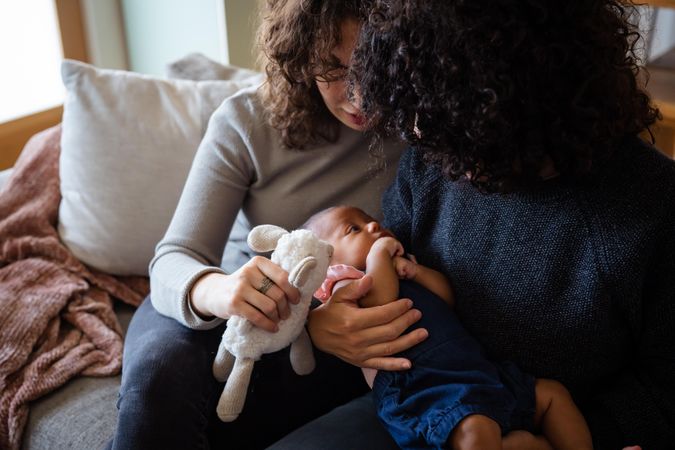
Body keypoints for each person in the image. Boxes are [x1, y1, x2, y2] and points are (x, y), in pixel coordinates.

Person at [324, 0, 670, 449]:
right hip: (424, 415)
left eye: (454, 121)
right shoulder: (434, 160)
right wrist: (327, 323)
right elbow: (380, 283)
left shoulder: (653, 210)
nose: (422, 136)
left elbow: (664, 392)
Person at [106, 1, 426, 449]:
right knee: (159, 382)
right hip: (223, 302)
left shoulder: (425, 127)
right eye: (333, 68)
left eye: (376, 66)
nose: (360, 97)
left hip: (329, 331)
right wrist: (220, 290)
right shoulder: (247, 120)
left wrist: (313, 322)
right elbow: (173, 260)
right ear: (302, 53)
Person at [305, 205, 594, 450]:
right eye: (353, 229)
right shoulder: (342, 284)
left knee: (552, 395)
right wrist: (378, 253)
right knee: (474, 429)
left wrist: (417, 272)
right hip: (422, 387)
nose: (372, 225)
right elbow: (380, 299)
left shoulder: (400, 265)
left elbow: (446, 298)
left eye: (370, 220)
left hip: (475, 370)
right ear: (327, 262)